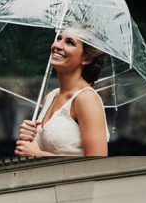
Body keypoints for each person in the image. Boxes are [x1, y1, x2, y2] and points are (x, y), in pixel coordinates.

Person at [15, 26, 109, 158]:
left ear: (86, 59)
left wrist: (37, 154)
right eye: (59, 38)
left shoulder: (86, 99)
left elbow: (97, 162)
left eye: (69, 42)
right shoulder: (50, 97)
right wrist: (29, 137)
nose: (57, 45)